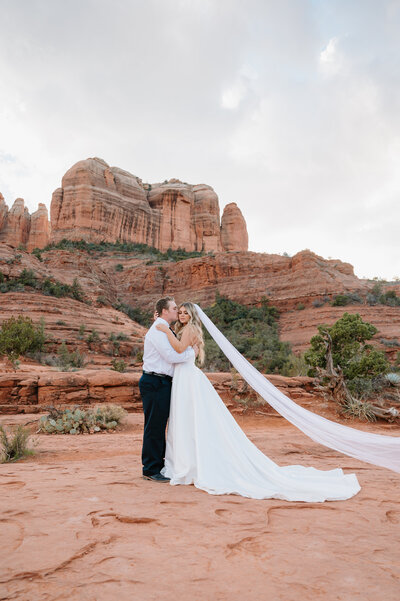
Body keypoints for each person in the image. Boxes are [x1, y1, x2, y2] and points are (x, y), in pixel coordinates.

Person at [155, 302, 361, 502]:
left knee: (188, 418)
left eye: (185, 313)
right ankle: (190, 462)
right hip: (184, 378)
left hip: (187, 379)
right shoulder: (186, 328)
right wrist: (166, 327)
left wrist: (164, 330)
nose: (182, 316)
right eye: (179, 312)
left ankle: (190, 463)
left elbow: (180, 349)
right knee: (187, 419)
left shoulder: (189, 329)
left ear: (192, 316)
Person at [139, 296, 197, 483]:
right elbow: (171, 356)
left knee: (159, 424)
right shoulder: (158, 330)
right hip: (155, 382)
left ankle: (158, 464)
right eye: (174, 309)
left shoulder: (163, 328)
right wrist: (192, 354)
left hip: (162, 382)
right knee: (154, 426)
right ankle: (151, 468)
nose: (177, 311)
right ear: (165, 311)